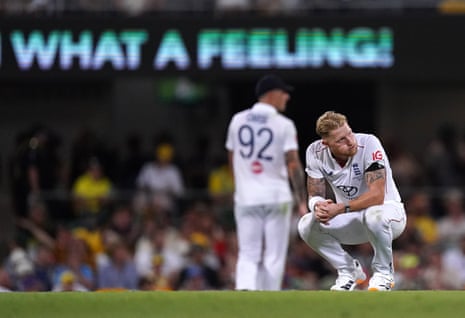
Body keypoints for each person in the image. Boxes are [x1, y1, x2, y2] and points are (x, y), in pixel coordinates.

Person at [297, 111, 407, 291]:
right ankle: (348, 271)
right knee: (306, 224)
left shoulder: (369, 143)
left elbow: (377, 196)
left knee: (374, 215)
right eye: (341, 140)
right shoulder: (315, 152)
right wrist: (317, 205)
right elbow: (315, 192)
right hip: (352, 218)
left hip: (389, 214)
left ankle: (384, 274)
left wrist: (340, 208)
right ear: (327, 144)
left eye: (349, 133)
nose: (350, 141)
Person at [225, 74, 307, 291]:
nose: (287, 97)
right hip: (276, 196)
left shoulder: (237, 120)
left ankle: (245, 293)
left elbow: (232, 160)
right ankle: (269, 297)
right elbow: (293, 164)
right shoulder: (284, 125)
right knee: (274, 254)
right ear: (271, 95)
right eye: (283, 93)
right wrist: (302, 199)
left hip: (246, 197)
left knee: (248, 252)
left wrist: (240, 188)